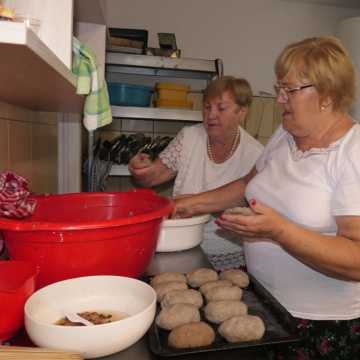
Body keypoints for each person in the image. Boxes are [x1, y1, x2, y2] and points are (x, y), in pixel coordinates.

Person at [173, 36, 360, 359]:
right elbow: (247, 184)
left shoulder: (351, 153)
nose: (278, 99)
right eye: (278, 88)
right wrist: (186, 203)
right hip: (262, 304)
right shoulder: (285, 134)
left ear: (327, 95)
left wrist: (279, 231)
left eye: (289, 90)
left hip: (317, 325)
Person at [128, 76, 264, 267]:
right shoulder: (189, 137)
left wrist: (190, 203)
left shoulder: (256, 155)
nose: (211, 115)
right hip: (181, 246)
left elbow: (253, 206)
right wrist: (141, 170)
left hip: (231, 255)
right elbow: (152, 177)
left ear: (242, 112)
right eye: (207, 107)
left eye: (221, 108)